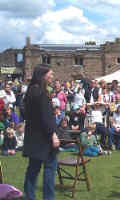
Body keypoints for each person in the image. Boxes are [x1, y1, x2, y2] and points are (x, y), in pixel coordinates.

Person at [23, 65, 60, 200]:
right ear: (43, 75)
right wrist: (53, 135)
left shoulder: (31, 91)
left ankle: (29, 196)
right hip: (45, 138)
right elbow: (46, 118)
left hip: (34, 137)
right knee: (50, 169)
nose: (52, 76)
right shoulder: (41, 94)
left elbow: (27, 113)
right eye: (50, 74)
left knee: (33, 170)